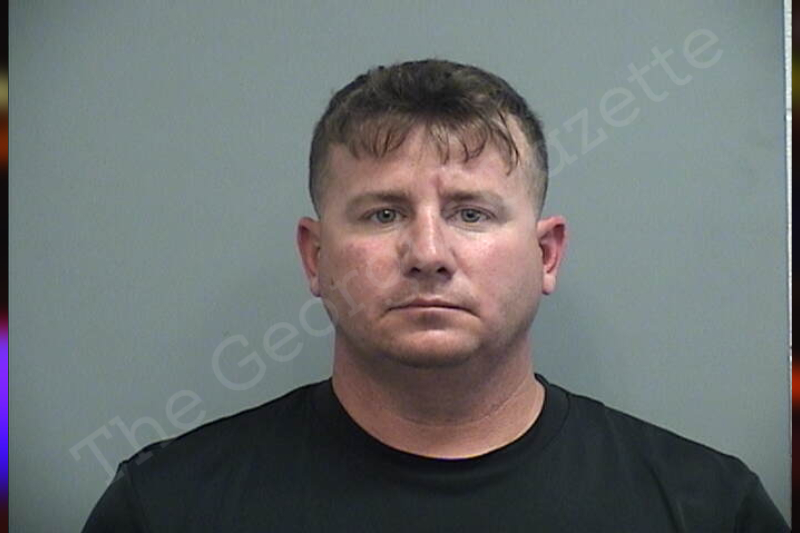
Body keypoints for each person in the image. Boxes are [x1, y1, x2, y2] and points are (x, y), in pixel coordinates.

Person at [82, 59, 789, 532]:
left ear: (546, 253)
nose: (427, 253)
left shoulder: (709, 508)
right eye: (383, 213)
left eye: (471, 213)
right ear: (316, 257)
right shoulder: (167, 507)